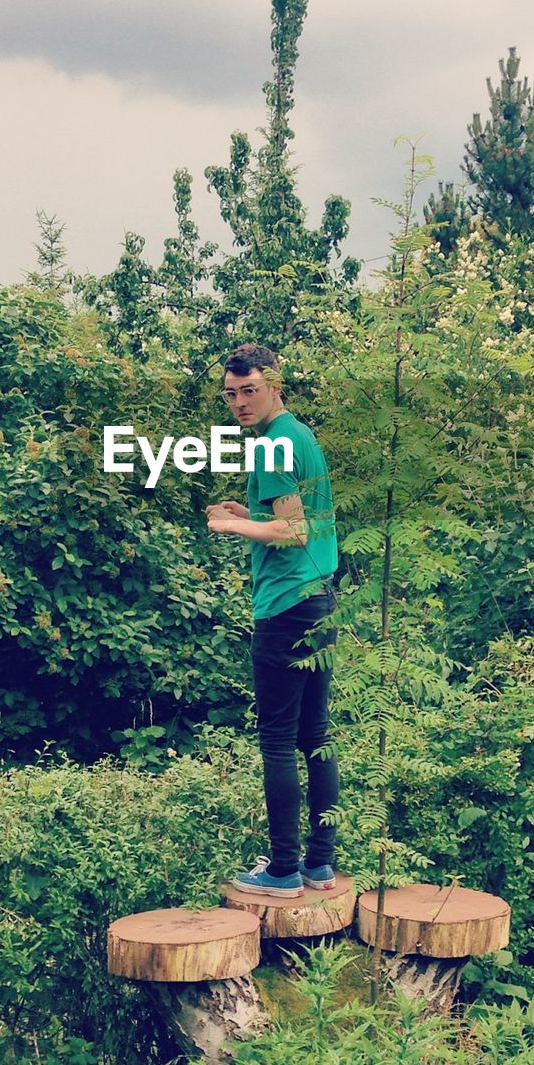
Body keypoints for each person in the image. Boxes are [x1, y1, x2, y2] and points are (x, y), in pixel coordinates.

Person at [205, 343, 340, 898]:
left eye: (249, 390)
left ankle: (283, 869)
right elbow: (292, 517)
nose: (239, 401)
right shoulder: (298, 436)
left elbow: (294, 533)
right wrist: (251, 514)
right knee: (316, 735)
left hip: (285, 608)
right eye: (231, 393)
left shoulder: (270, 448)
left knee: (280, 740)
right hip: (321, 599)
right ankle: (320, 864)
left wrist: (231, 528)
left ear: (274, 384)